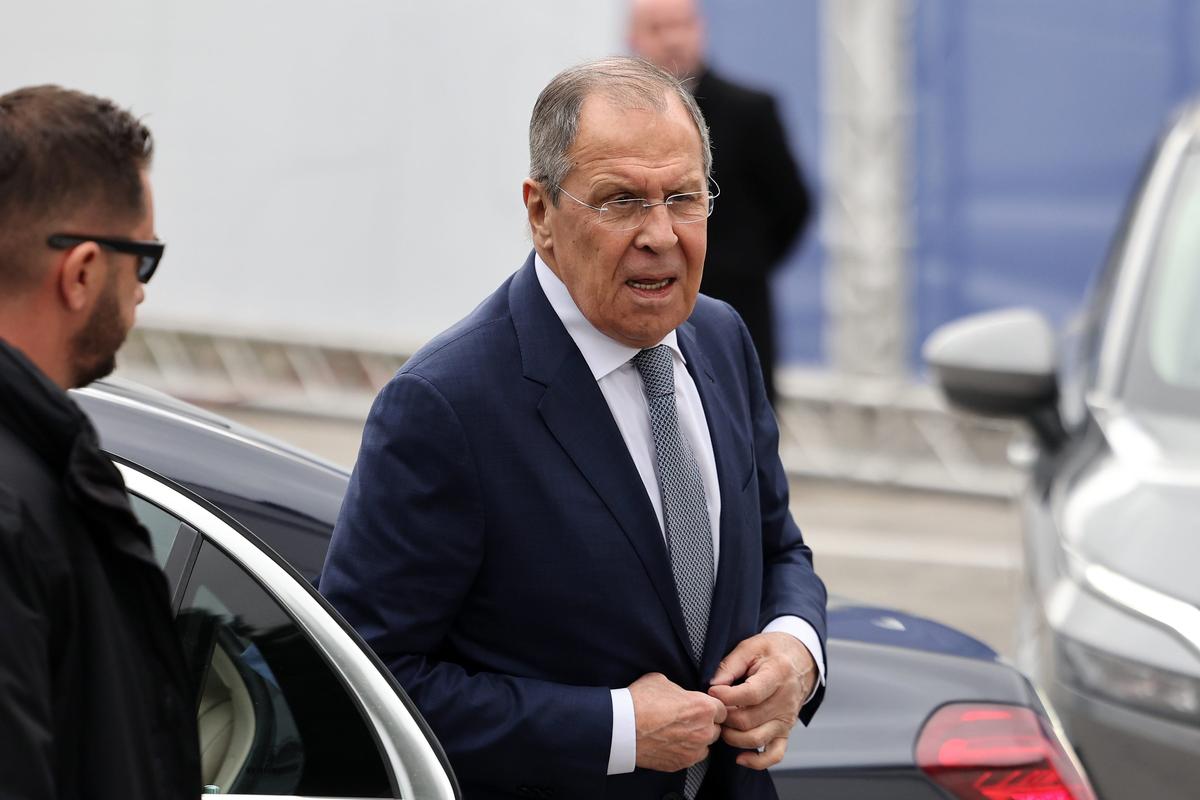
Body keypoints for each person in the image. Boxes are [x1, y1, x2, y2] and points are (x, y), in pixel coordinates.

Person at [321, 57, 827, 800]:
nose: (660, 234)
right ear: (541, 213)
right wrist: (616, 728)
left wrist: (796, 649)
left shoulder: (721, 339)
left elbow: (780, 545)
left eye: (683, 198)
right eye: (621, 201)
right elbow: (366, 682)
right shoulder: (446, 405)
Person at [0, 86, 199, 800]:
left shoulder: (44, 466)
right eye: (142, 259)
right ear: (83, 271)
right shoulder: (17, 502)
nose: (141, 292)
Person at [628, 0, 813, 406]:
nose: (673, 38)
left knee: (744, 433)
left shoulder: (751, 110)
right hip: (644, 315)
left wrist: (744, 264)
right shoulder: (618, 121)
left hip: (736, 306)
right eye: (658, 28)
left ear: (701, 29)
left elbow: (793, 204)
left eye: (682, 24)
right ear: (634, 38)